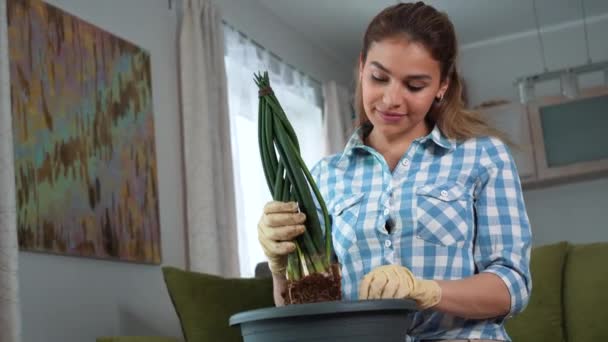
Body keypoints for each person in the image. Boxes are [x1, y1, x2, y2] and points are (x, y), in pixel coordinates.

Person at [257, 2, 532, 341]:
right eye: (378, 77)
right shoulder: (326, 176)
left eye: (414, 85)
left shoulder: (483, 157)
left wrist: (428, 290)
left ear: (442, 86)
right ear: (361, 68)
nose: (391, 99)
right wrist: (279, 266)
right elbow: (304, 314)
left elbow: (513, 286)